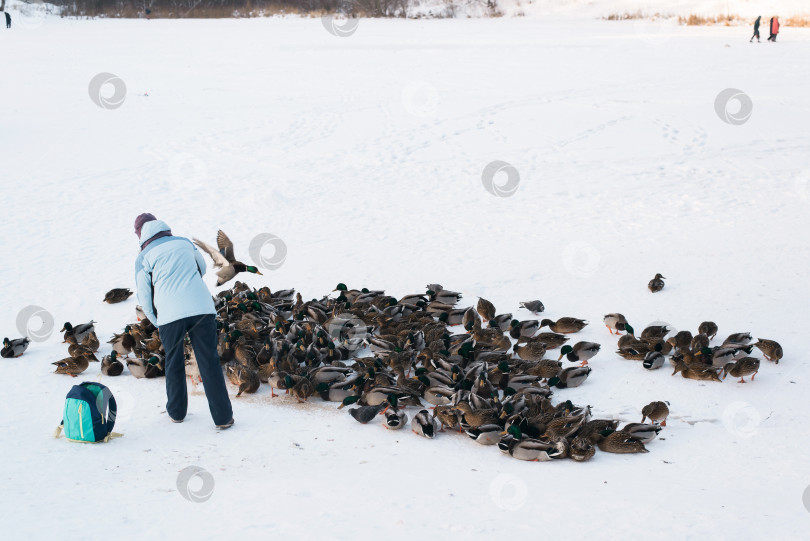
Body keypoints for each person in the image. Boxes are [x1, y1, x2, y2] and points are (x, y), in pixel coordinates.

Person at [134, 213, 234, 429]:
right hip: (201, 309)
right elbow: (203, 268)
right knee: (209, 361)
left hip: (170, 316)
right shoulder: (183, 242)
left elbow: (144, 296)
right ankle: (223, 418)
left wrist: (157, 320)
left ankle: (177, 413)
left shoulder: (143, 257)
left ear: (141, 234)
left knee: (173, 362)